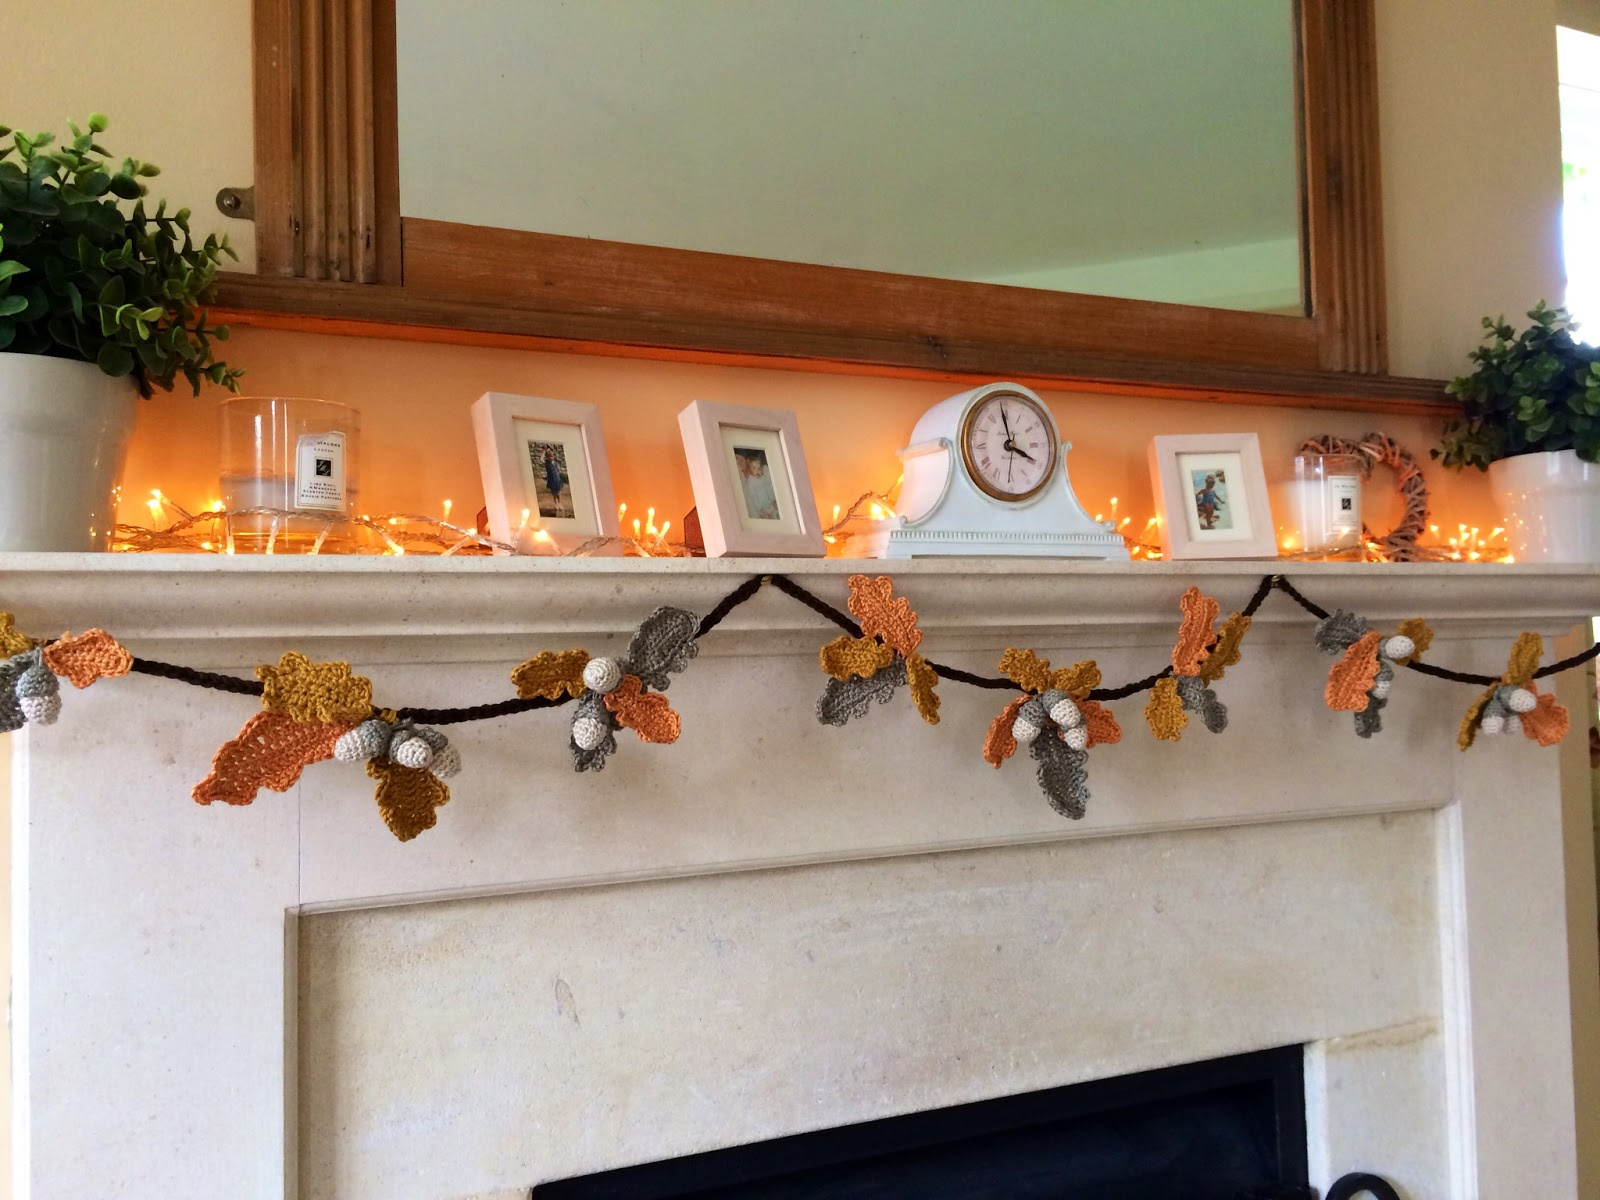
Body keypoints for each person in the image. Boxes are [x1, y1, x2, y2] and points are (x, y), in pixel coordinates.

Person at [736, 449, 780, 520]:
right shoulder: (750, 481)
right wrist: (759, 508)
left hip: (768, 502)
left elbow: (768, 486)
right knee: (767, 518)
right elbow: (753, 496)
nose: (757, 470)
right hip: (761, 507)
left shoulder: (762, 477)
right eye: (754, 468)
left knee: (774, 515)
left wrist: (772, 499)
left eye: (758, 468)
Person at [543, 448, 566, 515]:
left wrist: (558, 474)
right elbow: (541, 459)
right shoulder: (547, 464)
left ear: (554, 456)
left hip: (557, 479)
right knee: (554, 493)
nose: (551, 458)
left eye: (552, 456)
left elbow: (558, 470)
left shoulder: (556, 463)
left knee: (559, 492)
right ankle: (556, 504)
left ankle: (560, 503)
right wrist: (544, 452)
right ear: (547, 457)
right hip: (551, 480)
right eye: (549, 457)